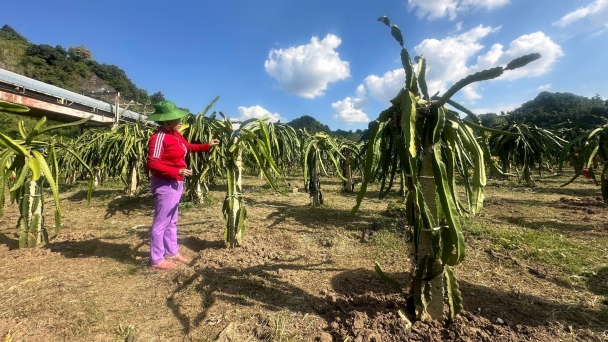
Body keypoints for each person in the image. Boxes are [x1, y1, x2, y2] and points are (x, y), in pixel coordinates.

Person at [146, 100, 220, 270]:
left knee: (172, 220)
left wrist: (207, 146)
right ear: (165, 122)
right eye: (176, 119)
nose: (180, 122)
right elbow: (152, 163)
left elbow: (188, 147)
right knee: (161, 223)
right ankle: (156, 259)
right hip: (165, 184)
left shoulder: (176, 135)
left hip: (176, 183)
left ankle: (172, 252)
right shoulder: (158, 138)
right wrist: (176, 171)